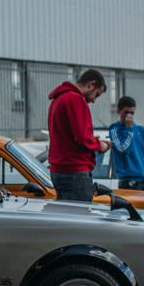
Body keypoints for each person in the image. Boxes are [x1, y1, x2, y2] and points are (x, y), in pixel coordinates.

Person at [47, 70, 110, 201]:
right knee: (81, 218)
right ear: (91, 85)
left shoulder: (58, 99)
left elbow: (70, 136)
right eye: (96, 95)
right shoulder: (75, 99)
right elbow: (83, 137)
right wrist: (100, 145)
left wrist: (96, 142)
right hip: (75, 171)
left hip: (59, 171)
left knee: (66, 218)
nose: (93, 101)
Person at [107, 96, 144, 191]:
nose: (129, 116)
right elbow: (123, 150)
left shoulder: (142, 131)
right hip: (129, 181)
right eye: (126, 113)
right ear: (118, 111)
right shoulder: (115, 130)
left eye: (132, 113)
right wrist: (129, 130)